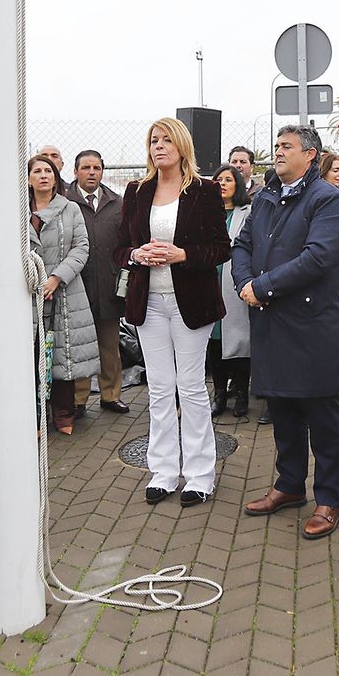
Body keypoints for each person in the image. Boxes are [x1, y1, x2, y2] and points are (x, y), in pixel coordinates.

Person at [235, 125, 339, 538]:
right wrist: (244, 284)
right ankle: (289, 486)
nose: (278, 151)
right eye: (277, 145)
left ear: (310, 154)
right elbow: (242, 246)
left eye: (287, 146)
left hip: (310, 324)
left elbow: (318, 258)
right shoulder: (265, 196)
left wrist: (262, 287)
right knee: (281, 409)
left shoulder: (328, 199)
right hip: (269, 320)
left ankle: (329, 499)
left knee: (321, 417)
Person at [115, 118, 231, 507]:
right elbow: (120, 249)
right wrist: (136, 254)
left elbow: (221, 248)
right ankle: (163, 472)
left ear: (182, 146)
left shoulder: (205, 190)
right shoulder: (136, 191)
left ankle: (200, 474)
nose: (158, 146)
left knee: (192, 387)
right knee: (160, 389)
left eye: (166, 140)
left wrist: (183, 255)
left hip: (192, 304)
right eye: (153, 140)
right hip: (148, 302)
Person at [29, 154, 99, 434]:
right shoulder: (17, 211)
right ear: (29, 178)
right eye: (37, 171)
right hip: (28, 293)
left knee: (62, 354)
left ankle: (64, 416)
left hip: (64, 291)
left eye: (48, 171)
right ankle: (34, 418)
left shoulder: (70, 209)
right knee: (30, 355)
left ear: (56, 178)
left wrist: (56, 278)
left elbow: (81, 247)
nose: (44, 175)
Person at [69, 150, 129, 416]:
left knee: (110, 345)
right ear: (75, 172)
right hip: (77, 286)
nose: (91, 172)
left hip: (108, 285)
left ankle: (110, 395)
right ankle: (78, 399)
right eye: (86, 167)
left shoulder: (117, 203)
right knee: (80, 345)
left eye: (96, 168)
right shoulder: (66, 202)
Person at [210, 165, 253, 419]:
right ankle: (219, 395)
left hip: (234, 286)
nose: (223, 183)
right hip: (210, 284)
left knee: (239, 341)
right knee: (215, 343)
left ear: (238, 184)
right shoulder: (207, 213)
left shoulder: (247, 213)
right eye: (219, 180)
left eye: (229, 179)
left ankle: (242, 395)